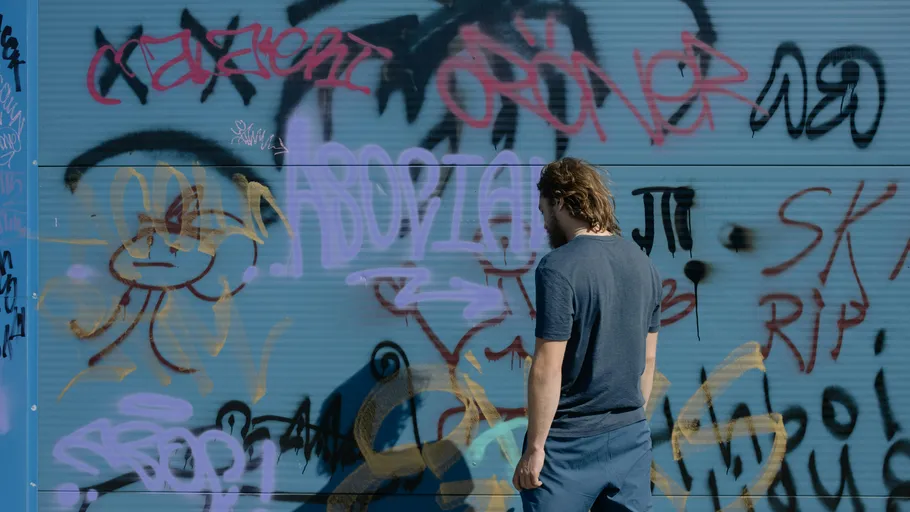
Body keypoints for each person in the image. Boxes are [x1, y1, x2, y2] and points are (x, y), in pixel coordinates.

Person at [512, 157, 661, 511]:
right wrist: (630, 426)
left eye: (544, 210)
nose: (544, 221)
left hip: (568, 448)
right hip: (631, 438)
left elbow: (547, 368)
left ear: (560, 203)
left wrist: (535, 449)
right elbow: (649, 359)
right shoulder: (645, 265)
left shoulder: (558, 267)